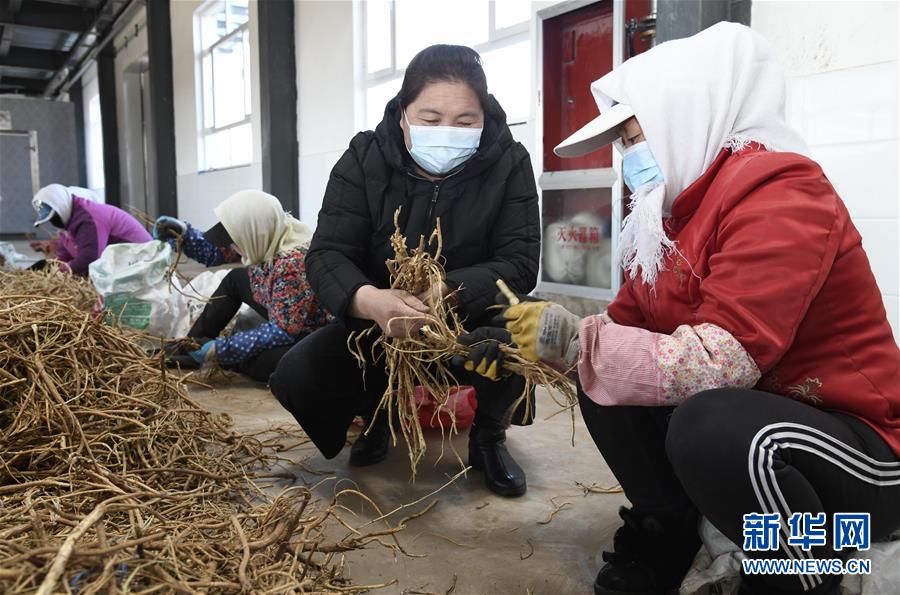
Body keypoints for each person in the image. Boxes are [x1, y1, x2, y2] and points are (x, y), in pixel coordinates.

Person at [465, 23, 900, 595]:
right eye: (624, 144)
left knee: (710, 425)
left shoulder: (785, 195)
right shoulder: (672, 217)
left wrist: (581, 343)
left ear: (687, 117)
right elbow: (620, 331)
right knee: (606, 382)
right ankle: (667, 532)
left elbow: (723, 362)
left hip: (861, 452)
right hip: (767, 428)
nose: (629, 159)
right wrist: (537, 352)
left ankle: (797, 576)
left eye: (634, 137)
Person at [268, 45, 541, 497]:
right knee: (299, 372)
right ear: (403, 115)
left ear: (485, 117)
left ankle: (488, 438)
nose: (447, 132)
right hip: (381, 318)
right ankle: (378, 416)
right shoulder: (364, 158)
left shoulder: (508, 162)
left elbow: (519, 261)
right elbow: (327, 254)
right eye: (431, 120)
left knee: (521, 334)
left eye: (465, 121)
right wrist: (370, 300)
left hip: (468, 317)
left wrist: (450, 291)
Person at [154, 190, 330, 382]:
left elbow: (283, 331)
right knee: (236, 278)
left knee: (266, 362)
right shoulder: (267, 234)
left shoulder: (292, 264)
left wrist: (222, 349)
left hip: (309, 330)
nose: (232, 248)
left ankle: (219, 357)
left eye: (235, 242)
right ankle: (192, 346)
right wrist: (184, 235)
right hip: (283, 312)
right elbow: (216, 253)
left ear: (252, 233)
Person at [31, 184, 151, 275]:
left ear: (62, 207)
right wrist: (52, 267)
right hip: (126, 263)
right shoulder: (70, 223)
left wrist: (58, 273)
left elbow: (89, 259)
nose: (53, 222)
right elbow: (65, 254)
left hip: (141, 263)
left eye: (54, 217)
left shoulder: (87, 220)